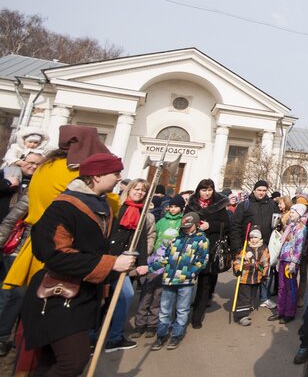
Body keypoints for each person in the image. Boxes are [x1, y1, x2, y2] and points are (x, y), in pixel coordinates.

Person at [19, 152, 136, 377]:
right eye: (115, 173)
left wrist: (120, 260)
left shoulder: (102, 205)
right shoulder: (64, 206)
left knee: (49, 362)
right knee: (72, 362)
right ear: (97, 176)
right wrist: (111, 263)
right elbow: (53, 255)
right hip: (56, 297)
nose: (119, 178)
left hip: (82, 295)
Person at [103, 177, 155, 352]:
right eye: (137, 189)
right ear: (129, 189)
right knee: (99, 297)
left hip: (124, 262)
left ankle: (115, 337)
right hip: (107, 258)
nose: (139, 192)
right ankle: (92, 336)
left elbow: (139, 238)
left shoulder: (142, 213)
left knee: (125, 295)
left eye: (143, 190)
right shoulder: (116, 207)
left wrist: (142, 262)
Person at [0, 151, 44, 358]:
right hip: (16, 249)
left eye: (38, 165)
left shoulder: (42, 188)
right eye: (31, 163)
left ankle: (18, 338)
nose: (33, 167)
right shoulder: (16, 183)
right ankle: (3, 336)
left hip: (36, 252)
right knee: (13, 294)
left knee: (23, 296)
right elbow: (11, 220)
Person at [148, 211, 209, 351]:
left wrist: (189, 273)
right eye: (184, 226)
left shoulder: (202, 240)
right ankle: (161, 335)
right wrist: (151, 268)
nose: (187, 229)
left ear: (196, 224)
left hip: (185, 282)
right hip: (169, 280)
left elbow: (202, 261)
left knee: (182, 309)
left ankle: (176, 334)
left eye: (189, 226)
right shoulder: (176, 240)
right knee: (164, 309)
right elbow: (166, 258)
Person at [131, 194, 184, 338]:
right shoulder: (161, 221)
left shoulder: (182, 222)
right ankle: (139, 324)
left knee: (159, 295)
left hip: (170, 262)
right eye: (171, 206)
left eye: (176, 207)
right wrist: (149, 255)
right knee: (146, 292)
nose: (173, 210)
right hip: (155, 259)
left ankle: (152, 324)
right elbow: (153, 236)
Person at [184, 178, 230, 329]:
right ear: (198, 191)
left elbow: (225, 224)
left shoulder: (219, 205)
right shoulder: (192, 204)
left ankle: (197, 316)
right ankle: (181, 314)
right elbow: (183, 222)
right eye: (204, 190)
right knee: (186, 281)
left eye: (210, 190)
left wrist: (210, 226)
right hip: (191, 247)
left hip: (209, 247)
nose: (207, 193)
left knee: (204, 282)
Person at [229, 180, 279, 307]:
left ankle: (263, 298)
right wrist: (236, 248)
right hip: (248, 245)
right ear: (254, 190)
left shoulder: (272, 205)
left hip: (265, 246)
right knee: (248, 272)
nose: (261, 193)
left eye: (264, 190)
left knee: (263, 271)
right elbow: (235, 226)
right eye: (259, 190)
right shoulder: (244, 205)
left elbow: (276, 223)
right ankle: (246, 301)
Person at [269, 203, 307, 324]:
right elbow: (284, 243)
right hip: (283, 259)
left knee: (290, 288)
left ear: (299, 214)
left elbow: (299, 246)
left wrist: (294, 262)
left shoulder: (301, 229)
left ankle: (289, 313)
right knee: (281, 287)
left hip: (291, 262)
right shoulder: (290, 226)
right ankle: (280, 311)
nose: (290, 214)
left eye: (293, 212)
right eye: (290, 212)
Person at [232, 226, 269, 326]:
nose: (253, 239)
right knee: (244, 296)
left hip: (257, 277)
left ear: (260, 238)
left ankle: (247, 309)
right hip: (245, 277)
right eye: (251, 237)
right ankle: (241, 316)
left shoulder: (264, 248)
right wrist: (237, 270)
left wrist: (265, 274)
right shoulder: (245, 248)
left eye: (256, 237)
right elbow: (237, 261)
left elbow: (266, 262)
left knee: (252, 295)